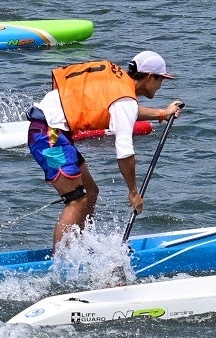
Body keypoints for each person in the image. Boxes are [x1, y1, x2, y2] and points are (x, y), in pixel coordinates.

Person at [26, 51, 185, 249]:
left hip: (53, 131)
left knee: (91, 191)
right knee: (76, 200)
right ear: (150, 77)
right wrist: (133, 192)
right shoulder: (124, 99)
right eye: (161, 79)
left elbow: (126, 109)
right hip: (49, 136)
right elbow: (125, 154)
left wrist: (162, 113)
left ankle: (81, 247)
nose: (161, 85)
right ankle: (62, 263)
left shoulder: (119, 82)